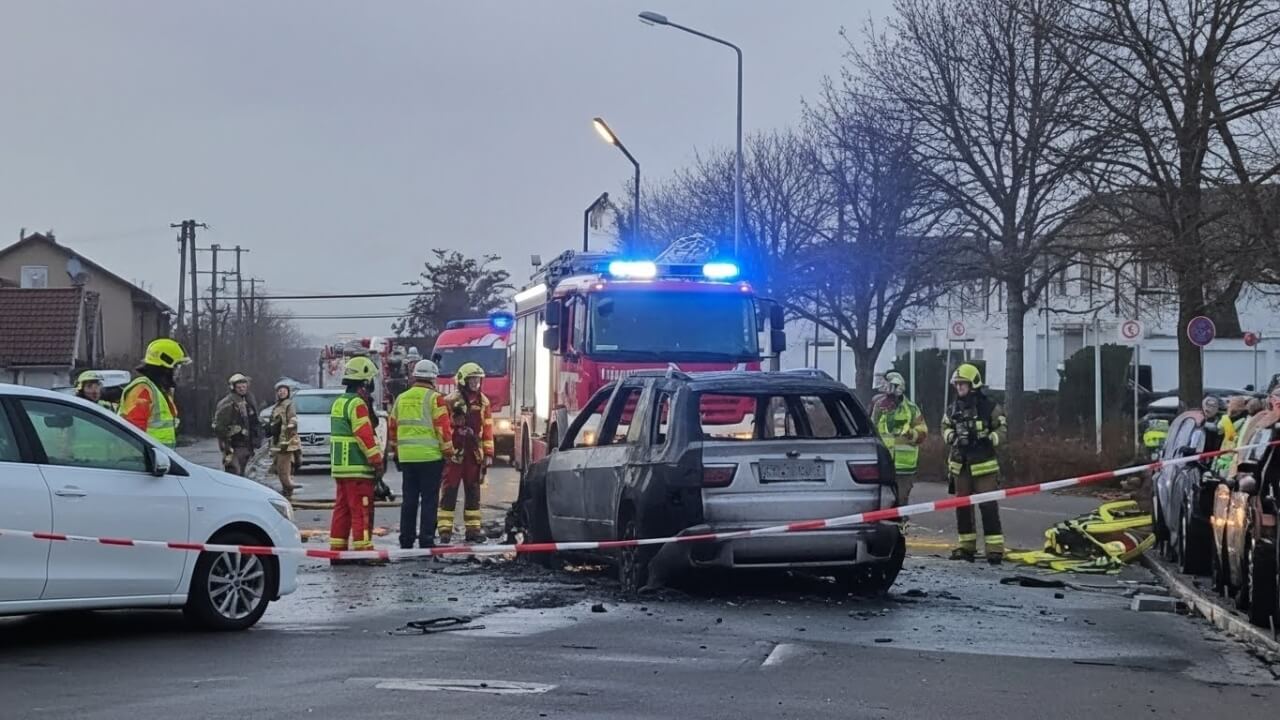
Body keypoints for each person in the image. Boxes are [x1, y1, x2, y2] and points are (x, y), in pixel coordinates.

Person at [941, 363, 1006, 564]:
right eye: (957, 384)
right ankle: (966, 548)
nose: (959, 387)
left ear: (974, 384)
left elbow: (1002, 428)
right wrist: (952, 436)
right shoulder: (952, 409)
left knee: (987, 507)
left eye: (963, 384)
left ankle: (994, 550)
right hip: (961, 466)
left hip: (984, 465)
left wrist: (989, 438)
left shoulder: (990, 407)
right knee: (962, 507)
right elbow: (944, 427)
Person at [388, 359, 454, 550]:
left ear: (415, 376)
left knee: (409, 500)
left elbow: (393, 428)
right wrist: (449, 453)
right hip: (430, 457)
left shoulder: (401, 398)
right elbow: (443, 429)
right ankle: (426, 538)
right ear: (433, 378)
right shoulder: (435, 399)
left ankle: (406, 539)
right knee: (429, 500)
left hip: (407, 458)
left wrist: (397, 452)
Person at [329, 356, 386, 560]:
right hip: (357, 467)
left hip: (340, 468)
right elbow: (364, 436)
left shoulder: (339, 403)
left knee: (342, 510)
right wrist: (377, 461)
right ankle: (364, 551)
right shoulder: (357, 404)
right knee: (361, 510)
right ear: (365, 381)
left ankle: (337, 551)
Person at [438, 362, 494, 544]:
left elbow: (487, 429)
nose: (475, 383)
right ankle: (445, 530)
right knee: (449, 491)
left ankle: (473, 530)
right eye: (472, 380)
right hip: (455, 453)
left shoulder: (483, 402)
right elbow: (443, 427)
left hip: (473, 454)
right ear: (463, 380)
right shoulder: (450, 400)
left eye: (478, 380)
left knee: (473, 492)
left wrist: (488, 453)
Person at [870, 371, 928, 505]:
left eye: (890, 388)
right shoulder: (879, 407)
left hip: (905, 467)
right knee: (883, 503)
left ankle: (902, 525)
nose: (887, 394)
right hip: (883, 464)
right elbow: (871, 430)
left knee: (901, 502)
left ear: (898, 388)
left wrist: (910, 434)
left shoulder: (912, 409)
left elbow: (923, 433)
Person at [120, 338, 189, 447]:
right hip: (145, 460)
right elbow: (134, 433)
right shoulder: (143, 390)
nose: (178, 372)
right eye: (177, 366)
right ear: (165, 367)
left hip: (157, 459)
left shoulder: (159, 390)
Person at [213, 373, 262, 476]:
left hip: (246, 445)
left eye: (244, 386)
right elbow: (219, 426)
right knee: (233, 472)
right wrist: (230, 432)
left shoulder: (249, 400)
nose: (242, 389)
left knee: (242, 474)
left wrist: (257, 438)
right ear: (233, 388)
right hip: (232, 444)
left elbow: (254, 421)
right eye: (239, 387)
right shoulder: (227, 403)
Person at [268, 380, 301, 498]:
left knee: (284, 466)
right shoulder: (277, 406)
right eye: (279, 391)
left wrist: (291, 426)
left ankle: (288, 489)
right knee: (279, 466)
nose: (282, 393)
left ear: (288, 392)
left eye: (284, 391)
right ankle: (286, 489)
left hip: (287, 440)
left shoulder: (289, 404)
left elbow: (293, 417)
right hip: (277, 440)